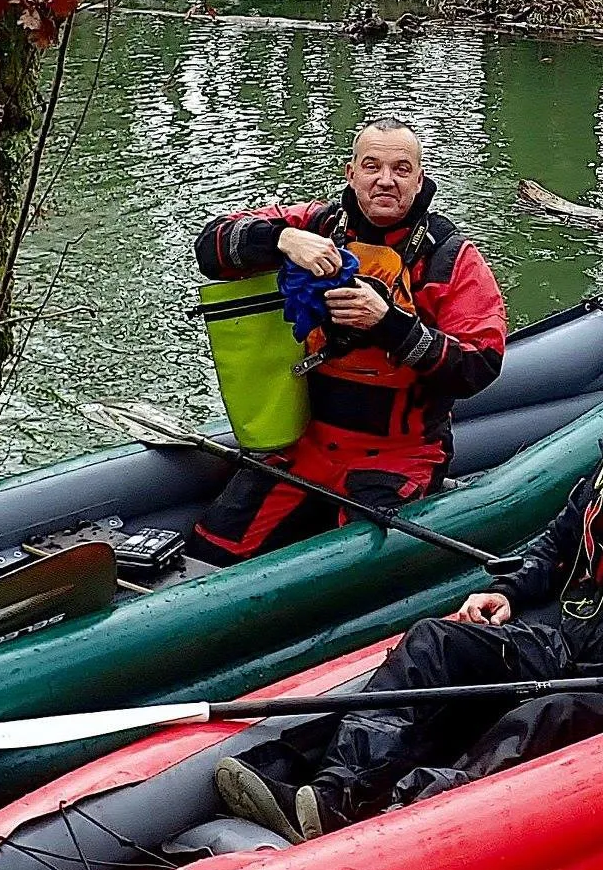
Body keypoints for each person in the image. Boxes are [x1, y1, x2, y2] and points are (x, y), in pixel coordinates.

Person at [216, 294, 603, 842]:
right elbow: (560, 543)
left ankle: (399, 821)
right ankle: (333, 792)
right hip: (578, 635)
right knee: (433, 643)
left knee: (538, 716)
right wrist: (509, 590)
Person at [186, 119, 507, 566]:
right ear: (350, 172)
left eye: (401, 169)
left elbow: (480, 365)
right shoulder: (315, 225)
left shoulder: (449, 257)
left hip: (402, 454)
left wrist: (389, 323)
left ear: (419, 179)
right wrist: (281, 238)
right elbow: (210, 248)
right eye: (372, 166)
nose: (385, 180)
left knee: (351, 566)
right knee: (209, 548)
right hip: (306, 443)